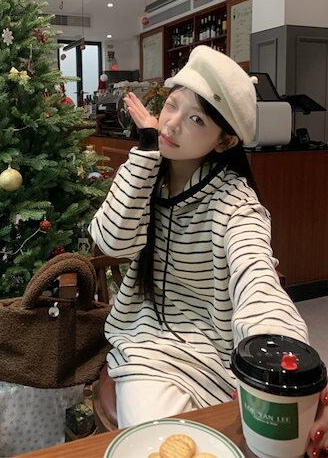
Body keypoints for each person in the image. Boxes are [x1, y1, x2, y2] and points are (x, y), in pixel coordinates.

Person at [88, 46, 328, 456]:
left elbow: (257, 279)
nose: (171, 124)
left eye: (196, 119)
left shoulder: (235, 203)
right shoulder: (146, 174)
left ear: (225, 140)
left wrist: (284, 356)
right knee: (159, 438)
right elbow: (111, 242)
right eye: (172, 105)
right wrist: (145, 151)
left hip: (213, 351)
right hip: (146, 341)